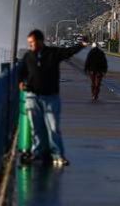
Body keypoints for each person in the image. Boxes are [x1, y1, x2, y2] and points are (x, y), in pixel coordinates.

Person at [18, 29, 85, 167]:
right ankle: (37, 153)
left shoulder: (52, 53)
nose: (31, 45)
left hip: (50, 97)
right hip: (32, 96)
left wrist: (81, 45)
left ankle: (57, 155)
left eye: (33, 43)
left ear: (41, 41)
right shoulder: (28, 56)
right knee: (36, 128)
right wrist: (20, 82)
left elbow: (68, 51)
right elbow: (21, 72)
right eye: (29, 43)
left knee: (53, 127)